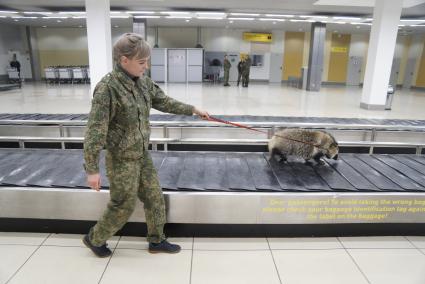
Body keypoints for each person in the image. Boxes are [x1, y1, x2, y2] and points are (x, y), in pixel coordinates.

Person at [82, 33, 209, 257]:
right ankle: (95, 238)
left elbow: (164, 101)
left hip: (141, 155)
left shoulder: (143, 83)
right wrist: (92, 169)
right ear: (124, 60)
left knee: (154, 197)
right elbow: (95, 131)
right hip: (121, 160)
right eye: (142, 62)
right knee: (123, 205)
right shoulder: (107, 89)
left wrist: (193, 109)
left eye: (147, 61)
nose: (146, 66)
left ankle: (157, 240)